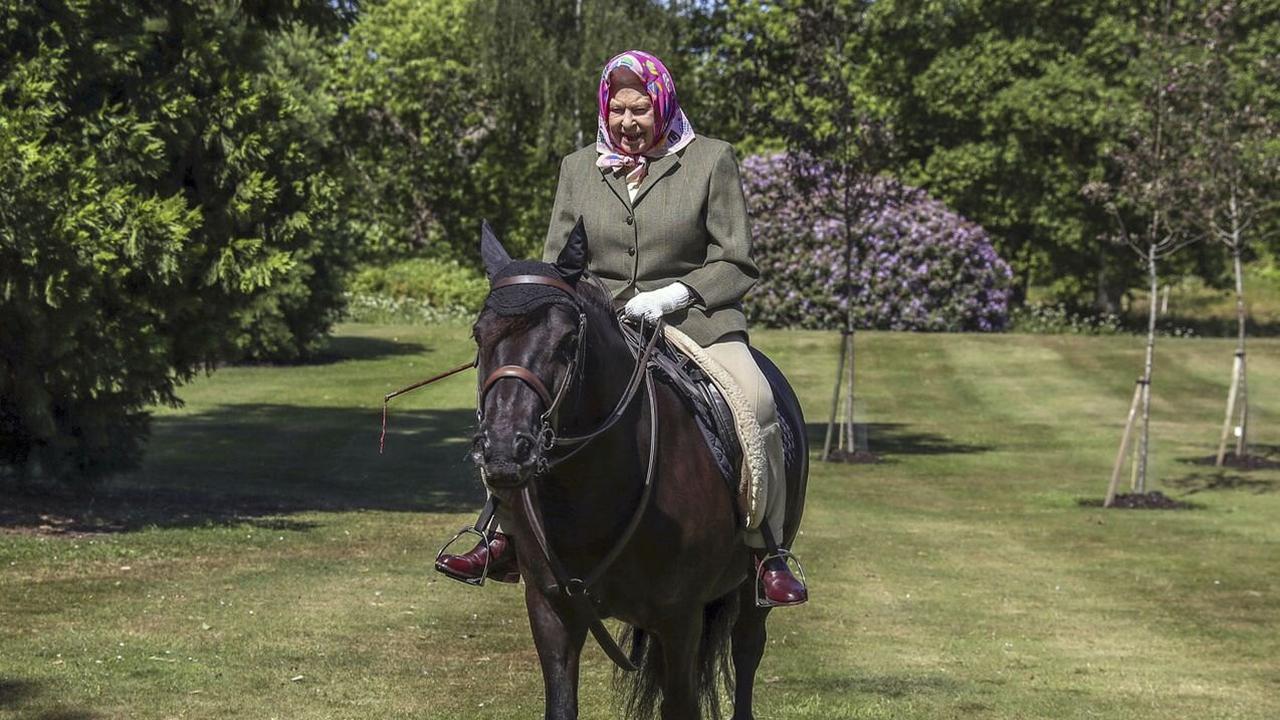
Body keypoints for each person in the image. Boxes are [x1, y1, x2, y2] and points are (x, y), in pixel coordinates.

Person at [437, 50, 806, 606]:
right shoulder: (577, 167)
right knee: (521, 399)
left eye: (640, 109)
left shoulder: (711, 160)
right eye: (618, 110)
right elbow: (559, 264)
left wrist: (675, 295)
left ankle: (766, 550)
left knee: (757, 399)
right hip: (600, 323)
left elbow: (736, 261)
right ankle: (502, 533)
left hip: (695, 321)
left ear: (663, 104)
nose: (628, 122)